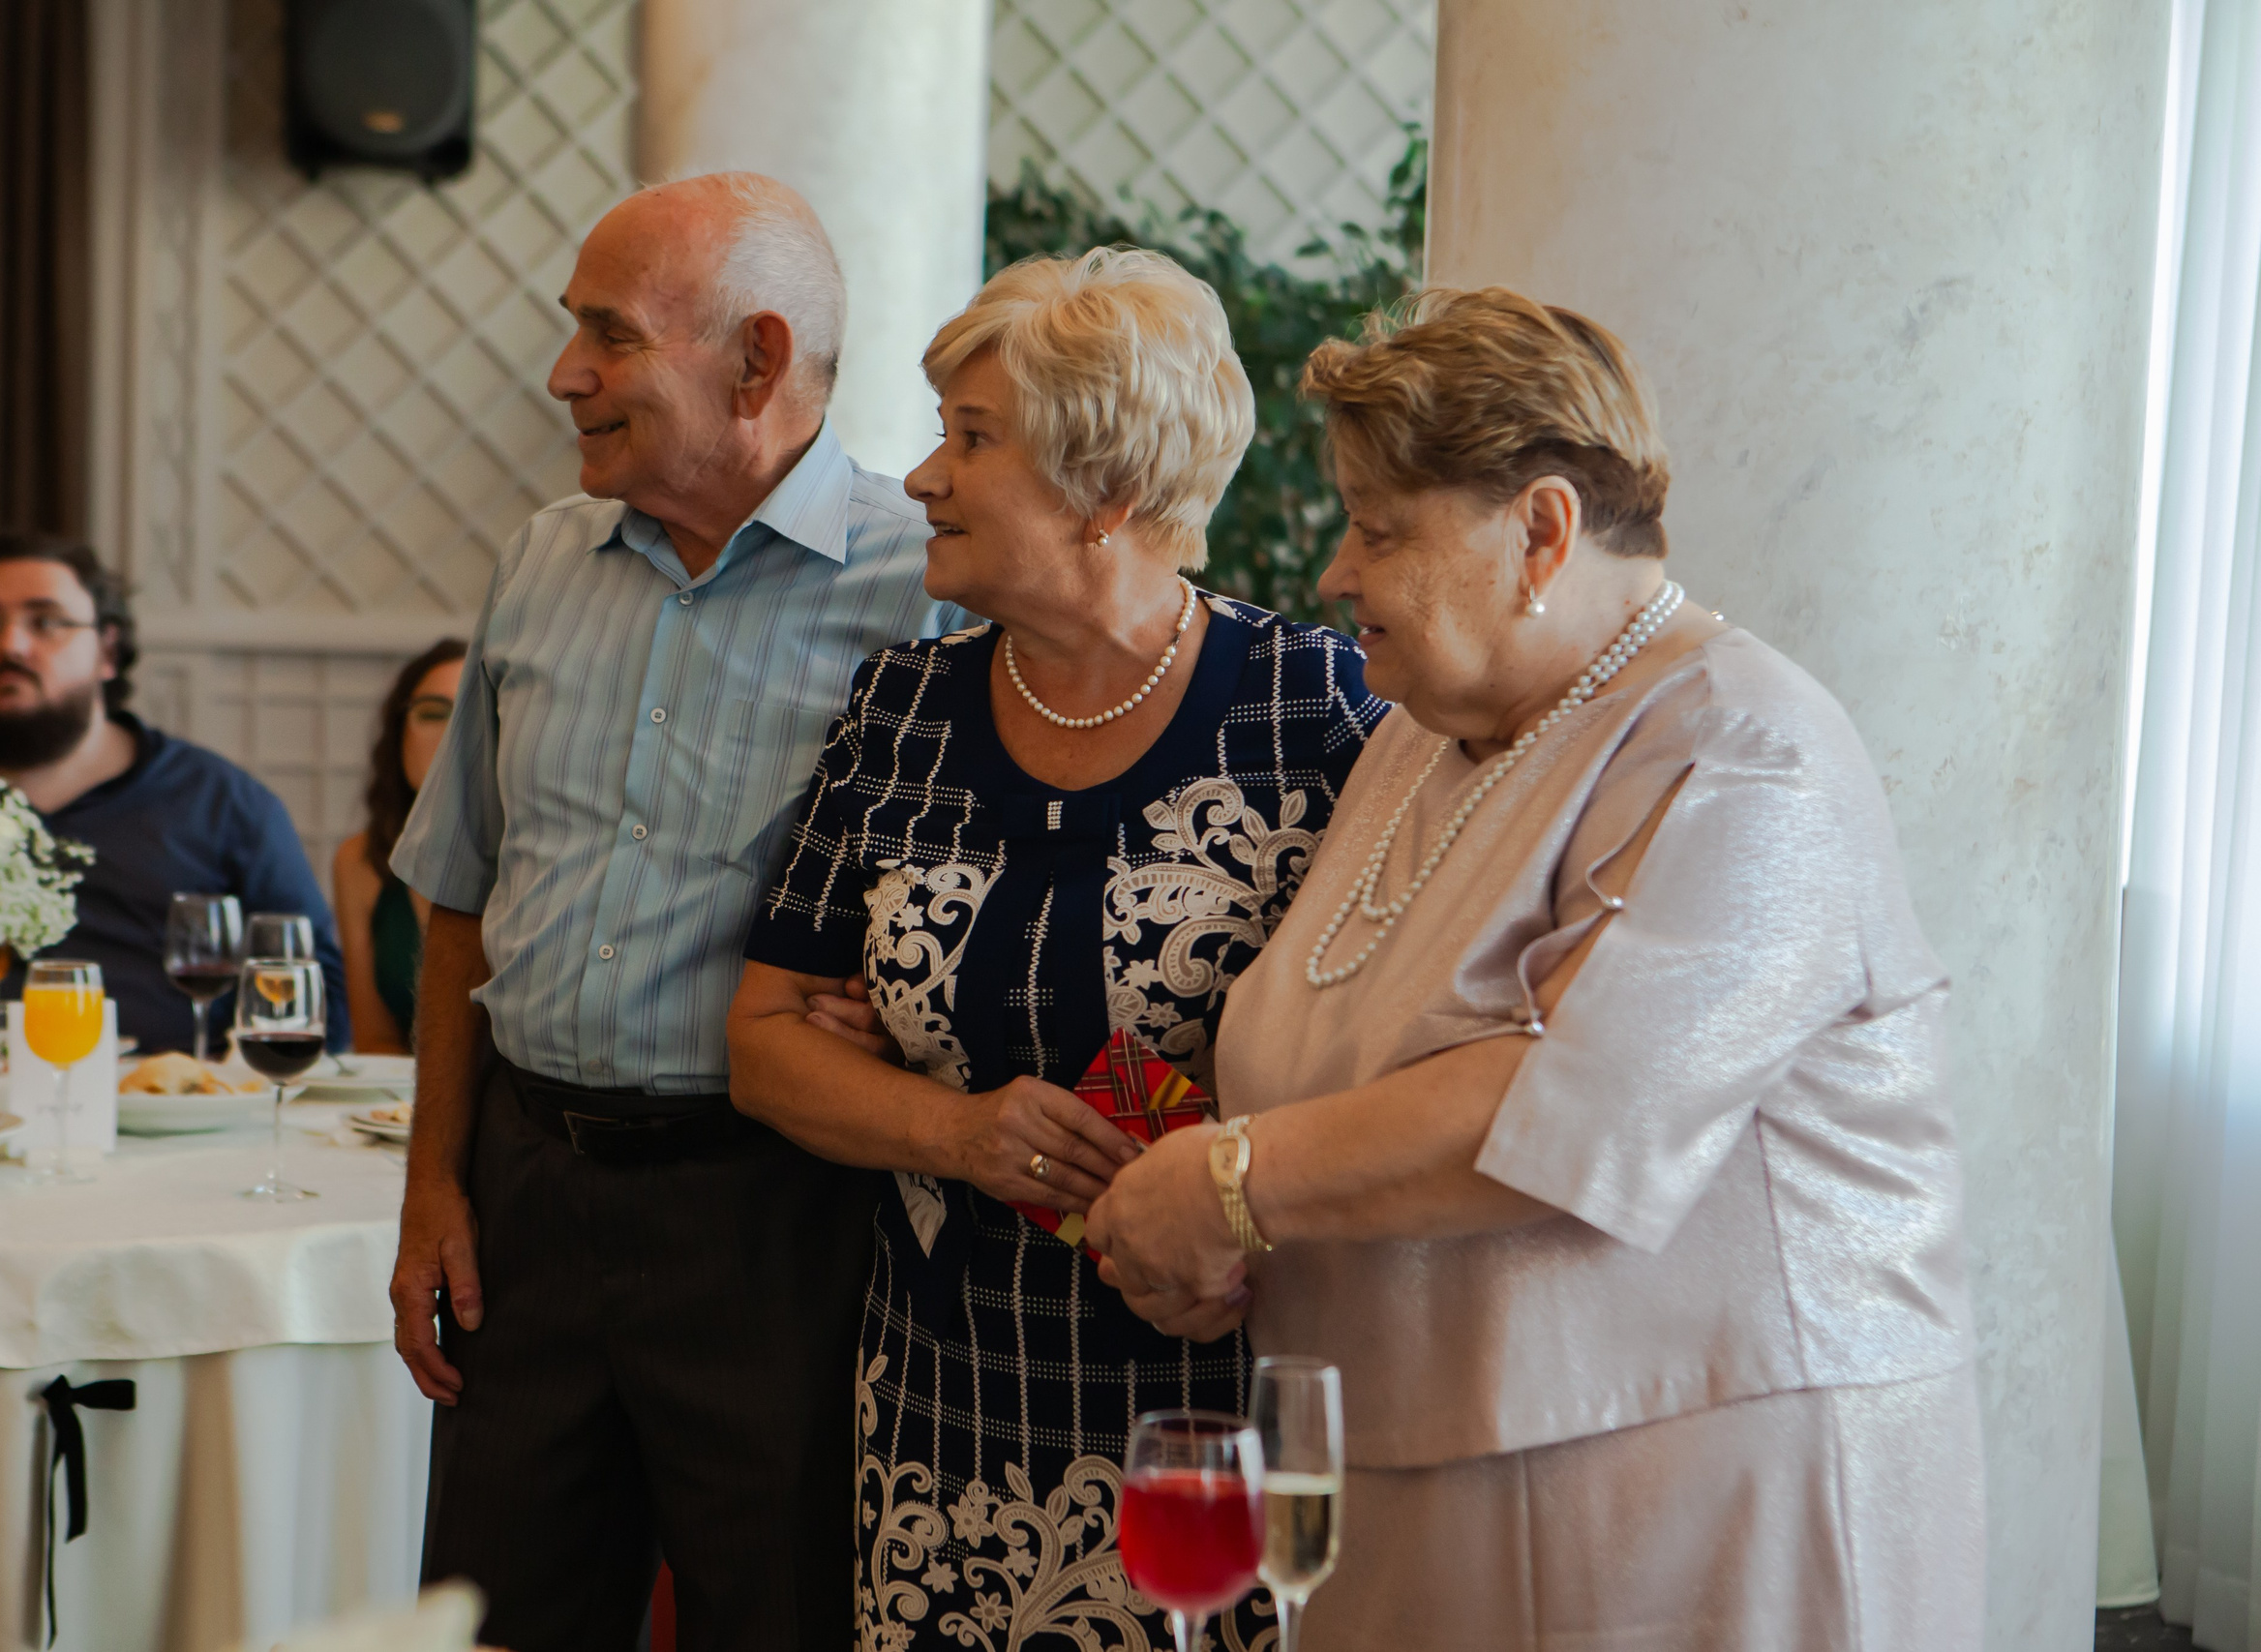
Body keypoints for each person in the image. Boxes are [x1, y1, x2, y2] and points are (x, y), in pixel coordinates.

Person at [1085, 286, 1984, 1650]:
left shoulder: (1746, 745)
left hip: (1697, 1489)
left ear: (1542, 530)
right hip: (1418, 1463)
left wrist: (1231, 1183)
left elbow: (1578, 1109)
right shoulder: (1421, 732)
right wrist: (1226, 1224)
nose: (1334, 571)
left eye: (1381, 530)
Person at [726, 247, 1386, 1650]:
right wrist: (951, 1127)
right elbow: (768, 1045)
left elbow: (1390, 1042)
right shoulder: (900, 705)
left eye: (972, 440)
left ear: (1109, 492)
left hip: (1215, 1392)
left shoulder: (1307, 708)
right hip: (943, 1392)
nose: (921, 478)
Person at [385, 172, 956, 1652]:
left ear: (756, 361)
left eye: (607, 335)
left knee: (782, 1618)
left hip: (776, 1216)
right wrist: (432, 1185)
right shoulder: (537, 560)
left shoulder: (928, 591)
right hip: (524, 1193)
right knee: (496, 1621)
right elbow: (460, 891)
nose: (565, 373)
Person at [0, 531, 347, 1056]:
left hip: (176, 1117)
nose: (10, 645)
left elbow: (318, 996)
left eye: (44, 622)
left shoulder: (220, 803)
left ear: (108, 652)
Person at [331, 639, 466, 1053]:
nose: (452, 735)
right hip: (403, 1108)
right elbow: (375, 1042)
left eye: (476, 717)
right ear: (398, 732)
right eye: (433, 712)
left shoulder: (539, 858)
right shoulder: (358, 862)